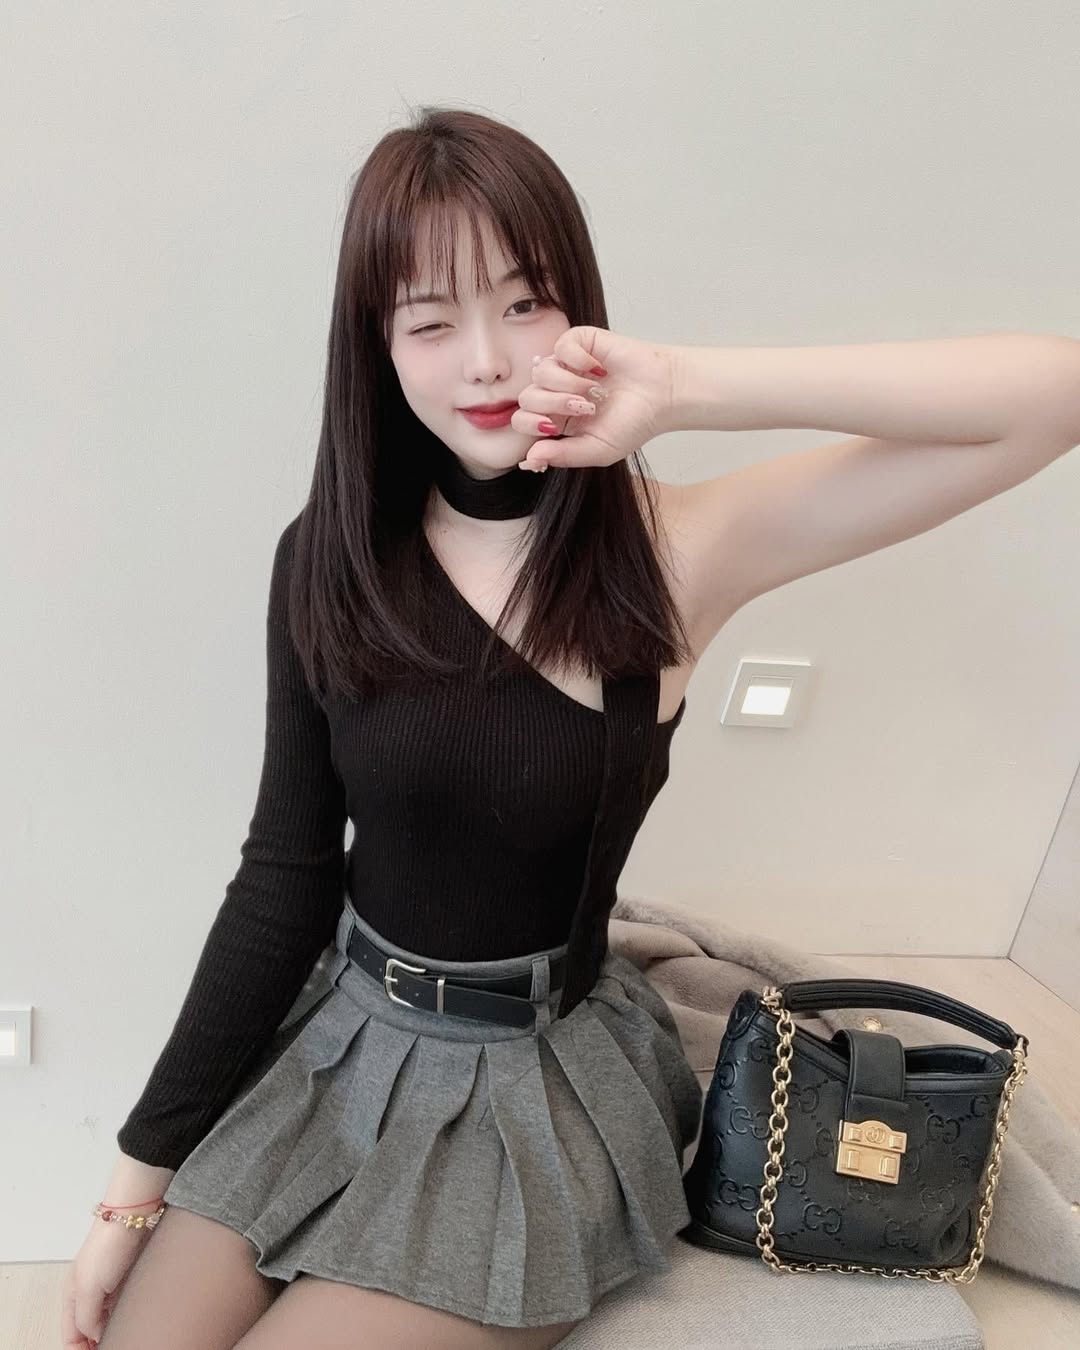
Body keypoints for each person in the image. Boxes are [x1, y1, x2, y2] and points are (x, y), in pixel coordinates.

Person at [63, 106, 706, 1350]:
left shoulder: (674, 551)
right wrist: (131, 1190)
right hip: (344, 1039)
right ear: (380, 348)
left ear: (583, 311)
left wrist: (677, 388)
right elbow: (284, 877)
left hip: (528, 1083)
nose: (489, 363)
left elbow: (1046, 398)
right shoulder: (328, 558)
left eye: (526, 303)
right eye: (431, 320)